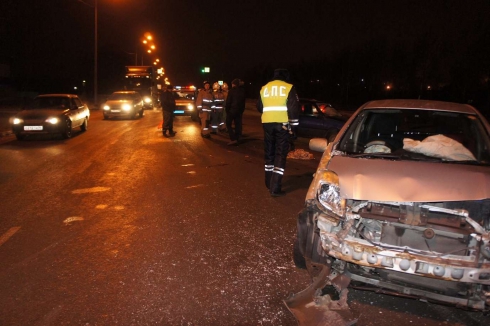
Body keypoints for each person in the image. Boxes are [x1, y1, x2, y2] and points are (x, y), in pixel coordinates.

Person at [256, 69, 300, 197]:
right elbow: (293, 109)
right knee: (280, 154)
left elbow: (259, 106)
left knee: (269, 152)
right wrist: (294, 129)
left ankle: (268, 183)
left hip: (267, 124)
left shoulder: (264, 88)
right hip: (282, 125)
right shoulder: (288, 87)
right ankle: (275, 188)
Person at [225, 78, 246, 145]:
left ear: (234, 84)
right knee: (238, 124)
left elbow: (228, 102)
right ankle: (238, 137)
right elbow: (243, 102)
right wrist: (242, 110)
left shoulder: (231, 91)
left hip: (232, 110)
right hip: (239, 111)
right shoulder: (242, 91)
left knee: (228, 124)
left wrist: (227, 110)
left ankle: (233, 138)